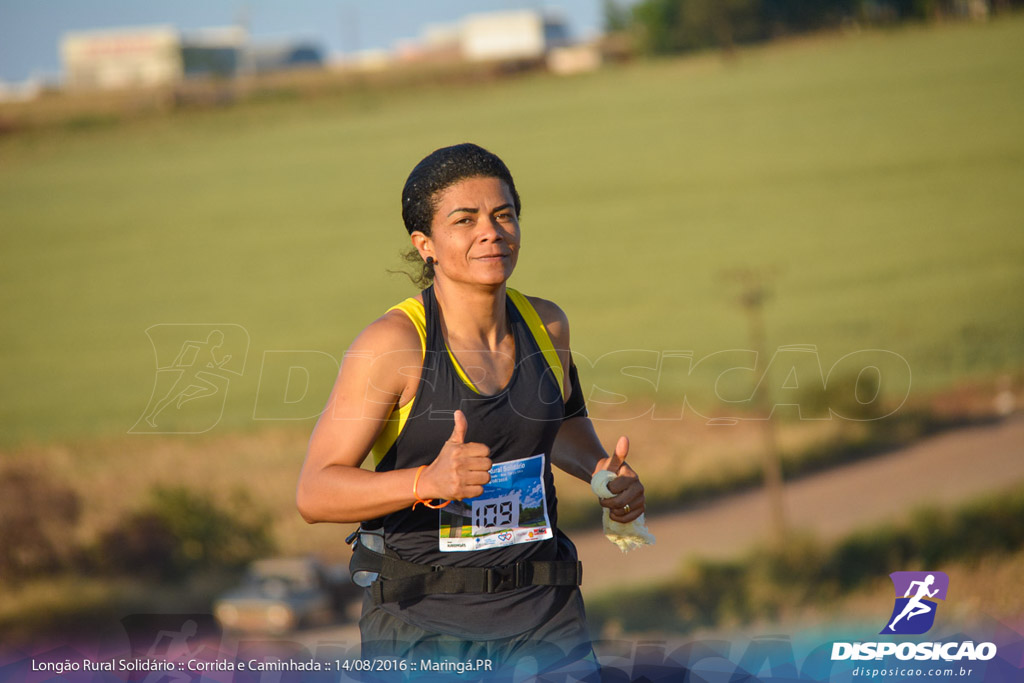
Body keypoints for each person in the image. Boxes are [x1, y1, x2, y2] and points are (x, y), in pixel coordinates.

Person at [297, 143, 645, 677]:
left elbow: (557, 427)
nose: (492, 231)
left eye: (503, 215)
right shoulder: (393, 346)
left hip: (546, 616)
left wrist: (602, 476)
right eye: (465, 220)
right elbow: (315, 492)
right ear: (425, 244)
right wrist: (426, 481)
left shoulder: (548, 326)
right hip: (423, 628)